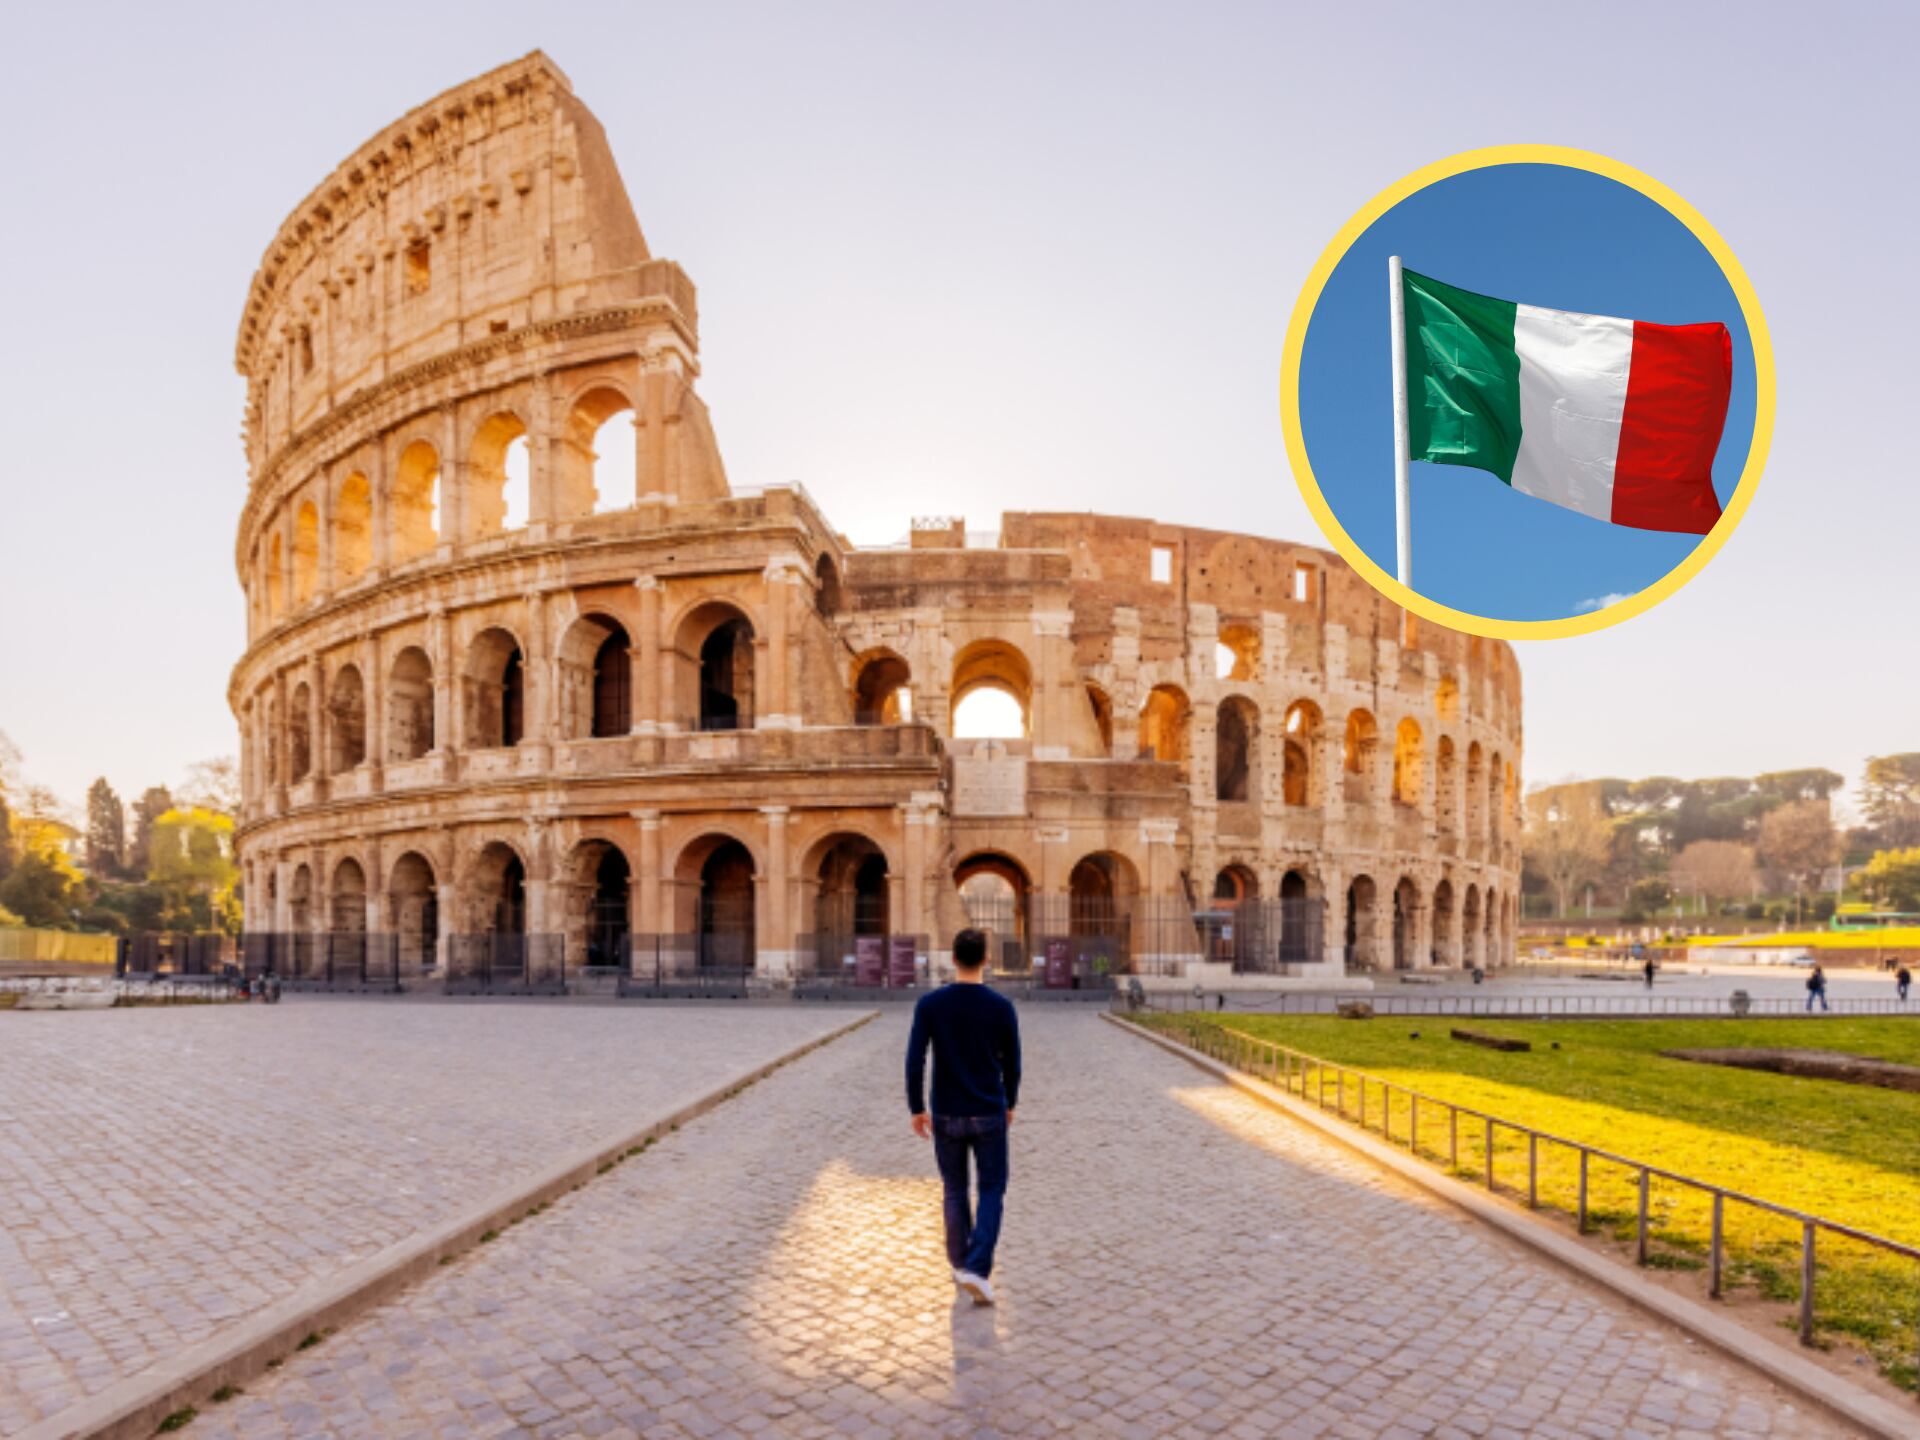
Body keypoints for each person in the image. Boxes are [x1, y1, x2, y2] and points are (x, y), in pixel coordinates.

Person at [906, 928, 1021, 1307]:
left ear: (953, 959)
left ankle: (962, 1265)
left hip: (947, 1113)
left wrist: (916, 1107)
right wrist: (1010, 1102)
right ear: (986, 960)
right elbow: (1013, 1065)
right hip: (988, 1110)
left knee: (954, 1189)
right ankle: (976, 1266)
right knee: (991, 1189)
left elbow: (915, 1059)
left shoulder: (931, 1004)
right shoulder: (1001, 1007)